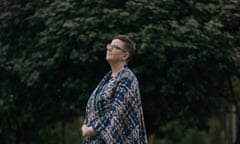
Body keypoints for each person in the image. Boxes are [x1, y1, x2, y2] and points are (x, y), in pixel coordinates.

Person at [81, 35, 148, 144]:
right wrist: (85, 125)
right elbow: (91, 110)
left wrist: (94, 130)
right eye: (109, 45)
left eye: (115, 47)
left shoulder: (128, 79)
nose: (109, 48)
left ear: (125, 55)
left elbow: (117, 113)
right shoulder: (106, 81)